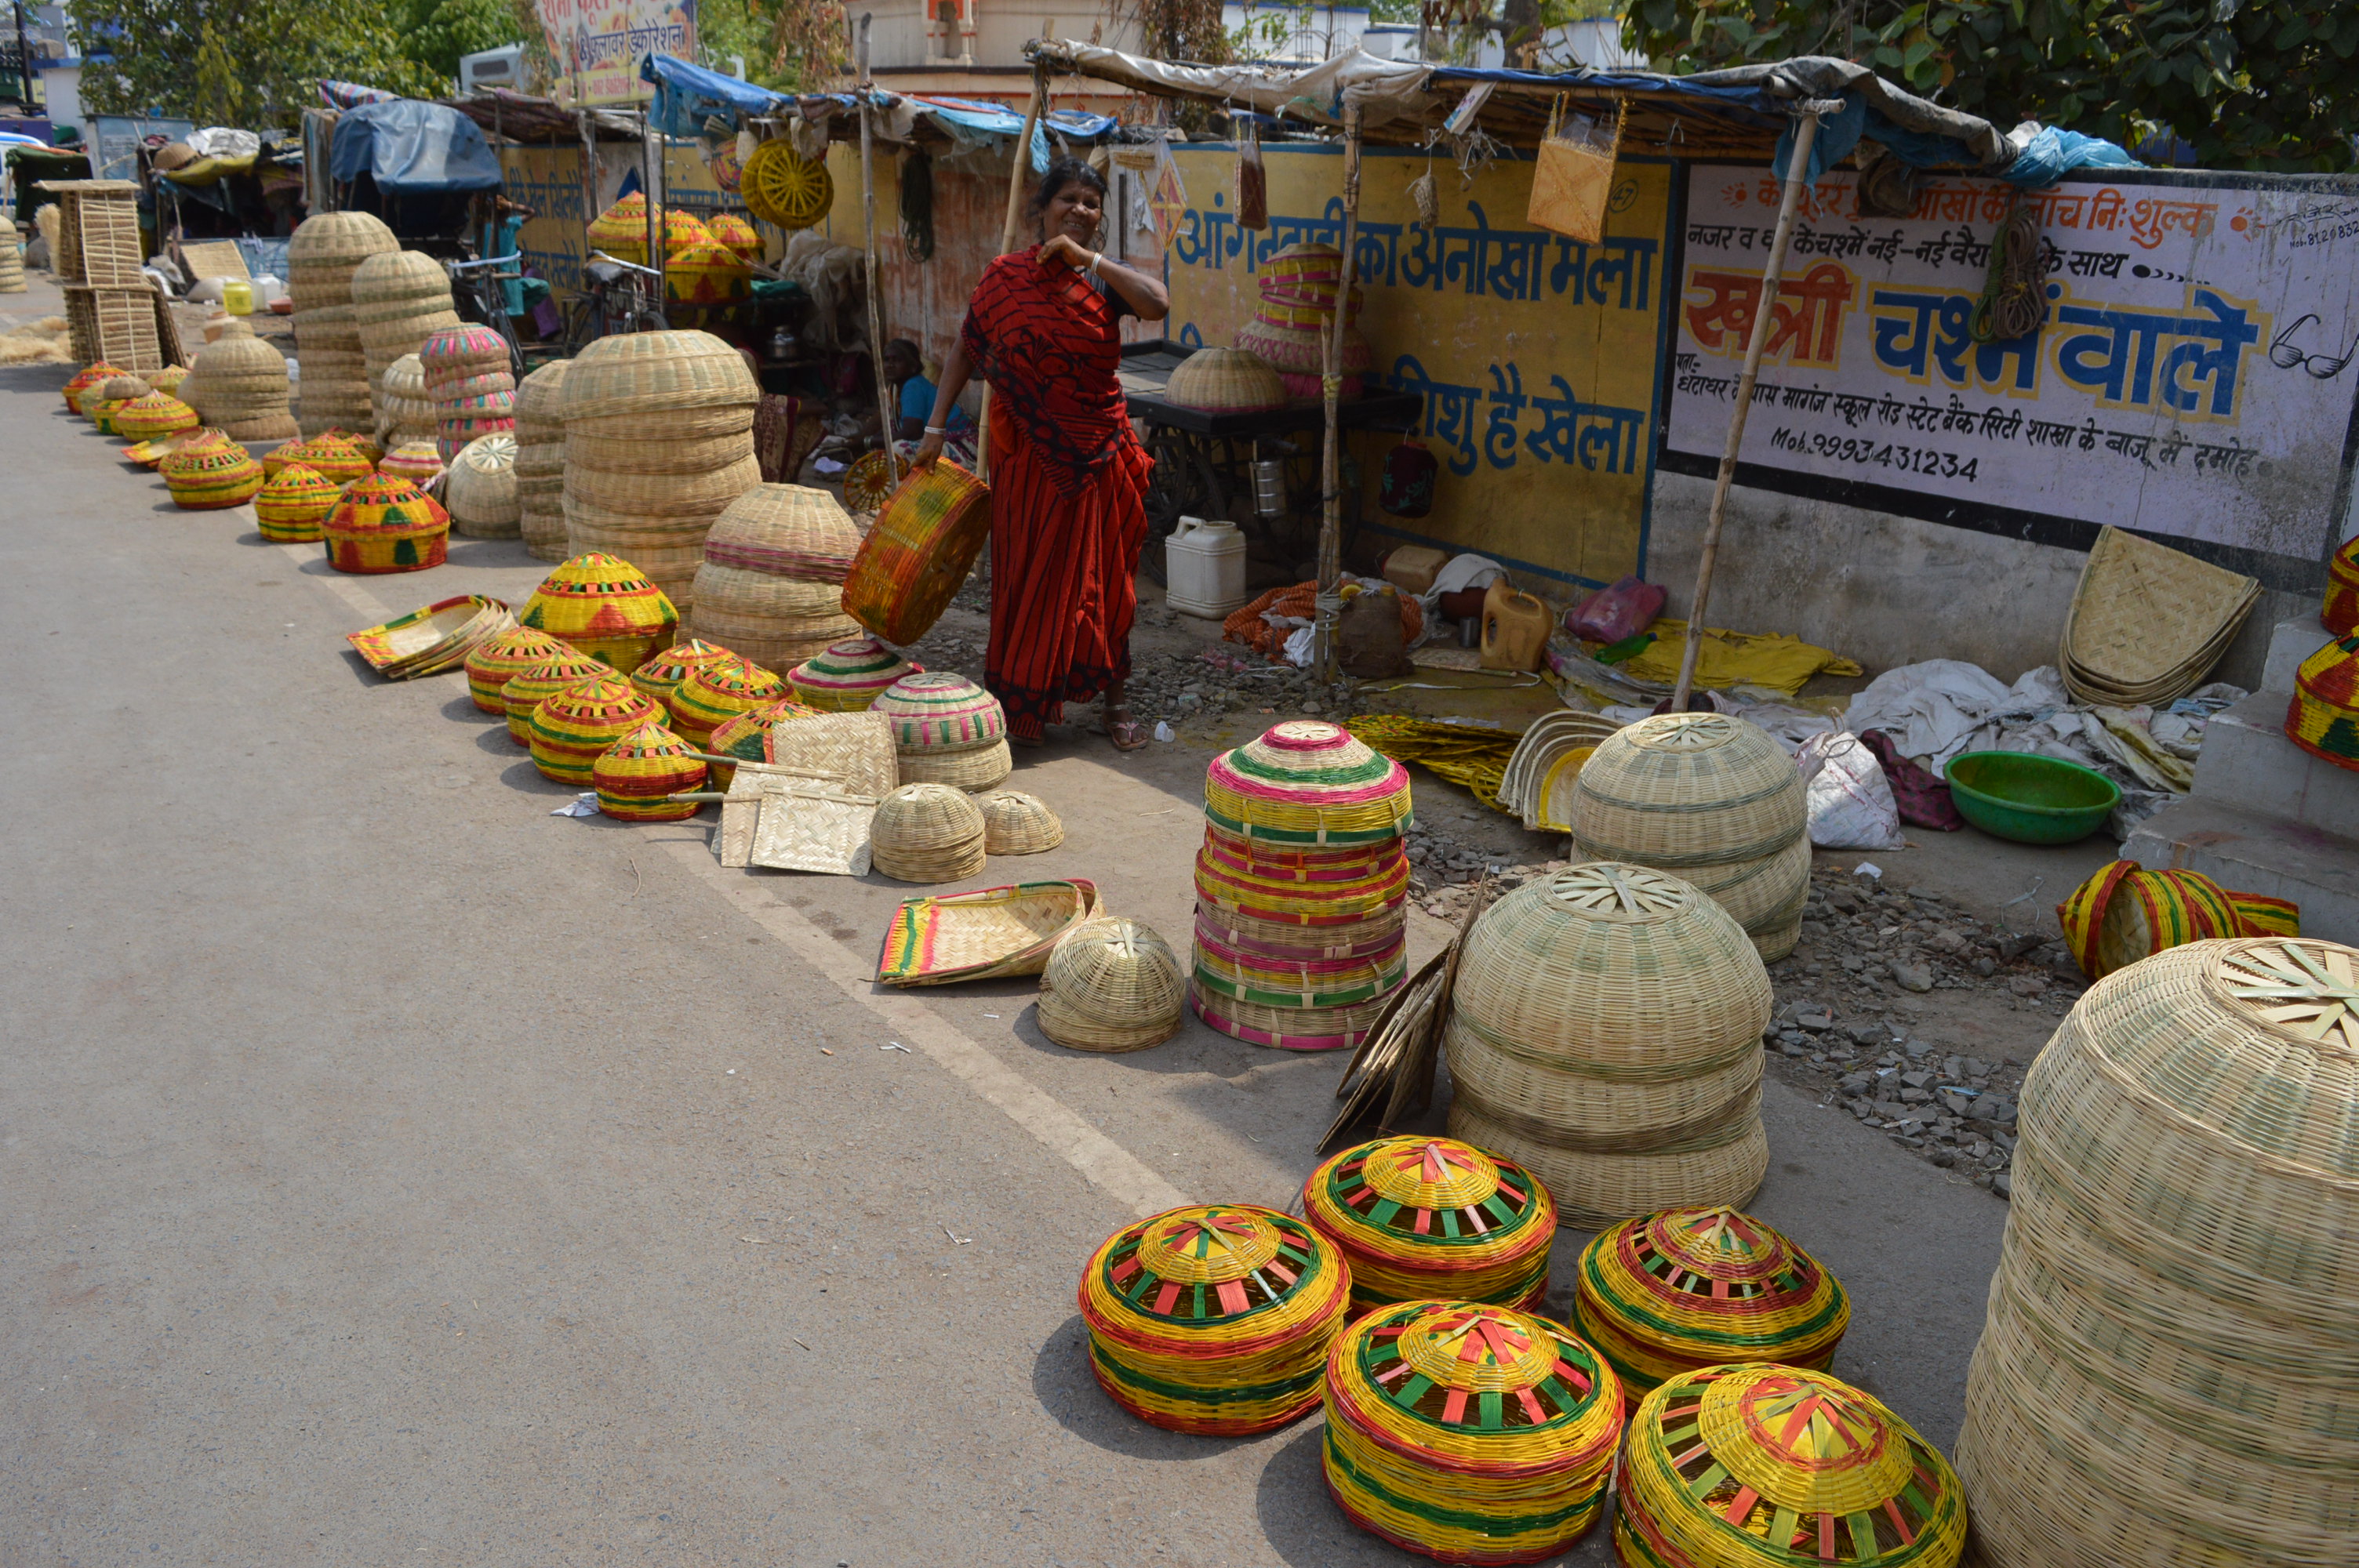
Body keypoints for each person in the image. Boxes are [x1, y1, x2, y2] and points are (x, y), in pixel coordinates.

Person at [910, 158, 1168, 751]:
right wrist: (932, 427)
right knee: (1027, 577)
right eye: (1069, 199)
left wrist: (1092, 261)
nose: (1080, 210)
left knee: (1108, 584)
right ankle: (1020, 698)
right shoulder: (1005, 277)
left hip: (1102, 456)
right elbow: (966, 350)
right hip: (1029, 458)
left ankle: (1114, 697)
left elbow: (1158, 304)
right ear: (1043, 207)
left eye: (1091, 203)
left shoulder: (1106, 281)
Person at [882, 337, 974, 466]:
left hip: (962, 445)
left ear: (913, 367)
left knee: (898, 450)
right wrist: (862, 440)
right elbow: (880, 420)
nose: (890, 365)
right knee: (884, 449)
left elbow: (912, 432)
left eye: (897, 360)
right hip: (942, 441)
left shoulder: (914, 385)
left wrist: (868, 442)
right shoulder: (895, 389)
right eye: (887, 360)